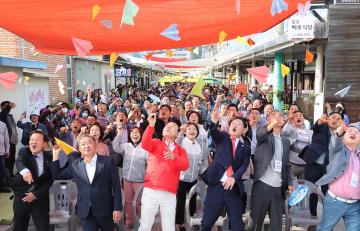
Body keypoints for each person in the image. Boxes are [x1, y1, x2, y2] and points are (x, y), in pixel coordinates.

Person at [50, 134, 122, 230]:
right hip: (85, 211)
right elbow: (57, 175)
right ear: (79, 148)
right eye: (83, 144)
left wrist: (117, 208)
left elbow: (116, 187)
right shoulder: (75, 165)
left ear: (95, 145)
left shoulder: (107, 161)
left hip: (105, 210)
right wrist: (55, 156)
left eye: (89, 143)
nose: (86, 146)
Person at [200, 110, 251, 231]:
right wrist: (213, 121)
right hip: (216, 186)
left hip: (233, 188)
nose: (235, 125)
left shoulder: (246, 147)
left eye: (239, 124)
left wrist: (234, 177)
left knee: (237, 225)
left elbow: (244, 165)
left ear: (244, 130)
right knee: (207, 223)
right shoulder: (223, 137)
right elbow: (214, 132)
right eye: (233, 123)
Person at [139, 113, 189, 231]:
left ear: (177, 134)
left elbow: (185, 165)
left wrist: (174, 157)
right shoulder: (156, 142)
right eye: (167, 126)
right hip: (151, 189)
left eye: (172, 126)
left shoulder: (181, 150)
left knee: (168, 226)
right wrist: (151, 126)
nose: (168, 127)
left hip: (169, 192)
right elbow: (145, 144)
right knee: (145, 224)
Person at [248, 111, 294, 231]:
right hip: (262, 184)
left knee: (276, 226)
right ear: (268, 121)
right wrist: (272, 124)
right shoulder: (263, 134)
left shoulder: (285, 141)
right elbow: (260, 135)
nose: (279, 117)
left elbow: (287, 165)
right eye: (275, 116)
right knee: (255, 223)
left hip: (278, 188)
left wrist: (289, 183)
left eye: (280, 115)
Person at [316, 123, 360, 231]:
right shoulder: (339, 151)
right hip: (335, 202)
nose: (353, 132)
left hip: (355, 205)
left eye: (356, 132)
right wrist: (339, 133)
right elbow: (335, 143)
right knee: (324, 229)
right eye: (349, 130)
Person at [300, 111, 342, 217]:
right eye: (333, 117)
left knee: (327, 194)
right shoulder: (322, 127)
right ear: (327, 119)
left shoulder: (341, 134)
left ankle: (327, 220)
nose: (335, 120)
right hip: (313, 164)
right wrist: (320, 121)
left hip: (328, 169)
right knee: (312, 191)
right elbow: (316, 126)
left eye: (338, 119)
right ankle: (312, 218)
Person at [11, 130, 53, 231]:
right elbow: (19, 161)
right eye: (32, 139)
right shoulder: (24, 151)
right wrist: (25, 171)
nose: (34, 142)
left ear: (44, 144)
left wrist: (35, 194)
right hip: (22, 197)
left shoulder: (49, 158)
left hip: (40, 198)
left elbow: (50, 180)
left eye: (38, 140)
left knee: (43, 227)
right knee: (19, 227)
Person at [113, 127, 147, 230]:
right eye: (132, 133)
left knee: (139, 203)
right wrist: (119, 134)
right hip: (127, 179)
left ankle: (142, 222)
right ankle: (129, 222)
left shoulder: (145, 148)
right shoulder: (126, 146)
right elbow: (115, 147)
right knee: (128, 202)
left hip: (140, 180)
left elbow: (150, 164)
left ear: (141, 135)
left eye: (137, 133)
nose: (134, 135)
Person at [175, 122, 203, 231]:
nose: (192, 131)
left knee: (193, 200)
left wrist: (200, 174)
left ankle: (193, 220)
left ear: (197, 132)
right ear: (186, 132)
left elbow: (199, 162)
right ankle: (180, 223)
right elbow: (175, 143)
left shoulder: (198, 144)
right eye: (189, 129)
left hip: (194, 178)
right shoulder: (182, 142)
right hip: (182, 178)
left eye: (194, 129)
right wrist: (181, 131)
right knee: (180, 201)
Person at [282, 110, 312, 179]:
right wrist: (289, 121)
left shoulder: (309, 132)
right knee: (290, 186)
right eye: (296, 116)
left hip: (305, 165)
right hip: (293, 164)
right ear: (293, 119)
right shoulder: (291, 130)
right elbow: (284, 133)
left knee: (302, 188)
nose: (298, 117)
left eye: (300, 116)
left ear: (303, 119)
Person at [0, 101, 18, 176]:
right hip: (6, 144)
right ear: (2, 107)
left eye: (9, 106)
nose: (9, 107)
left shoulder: (10, 116)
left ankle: (11, 176)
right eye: (7, 106)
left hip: (13, 142)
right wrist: (9, 106)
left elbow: (13, 128)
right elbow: (3, 113)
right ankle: (6, 180)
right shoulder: (1, 116)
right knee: (6, 162)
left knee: (12, 160)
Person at [0, 120, 10, 192]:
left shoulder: (3, 124)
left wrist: (7, 150)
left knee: (2, 170)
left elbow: (6, 138)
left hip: (1, 152)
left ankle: (2, 187)